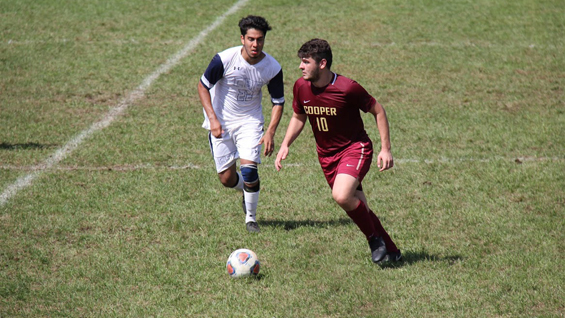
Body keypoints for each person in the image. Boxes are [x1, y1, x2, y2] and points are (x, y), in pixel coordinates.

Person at [275, 38, 401, 263]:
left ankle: (373, 239)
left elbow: (378, 111)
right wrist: (285, 144)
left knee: (342, 196)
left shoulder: (347, 87)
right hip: (326, 156)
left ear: (322, 64)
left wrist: (386, 149)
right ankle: (392, 251)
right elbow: (298, 116)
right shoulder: (300, 86)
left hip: (355, 149)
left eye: (305, 62)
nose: (300, 67)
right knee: (360, 207)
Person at [197, 15, 285, 233]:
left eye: (260, 40)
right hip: (222, 122)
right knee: (226, 179)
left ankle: (251, 218)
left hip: (250, 122)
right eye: (251, 39)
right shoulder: (224, 59)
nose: (255, 44)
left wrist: (270, 133)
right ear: (242, 38)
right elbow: (202, 86)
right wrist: (213, 119)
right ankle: (245, 191)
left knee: (249, 170)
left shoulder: (272, 67)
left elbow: (278, 103)